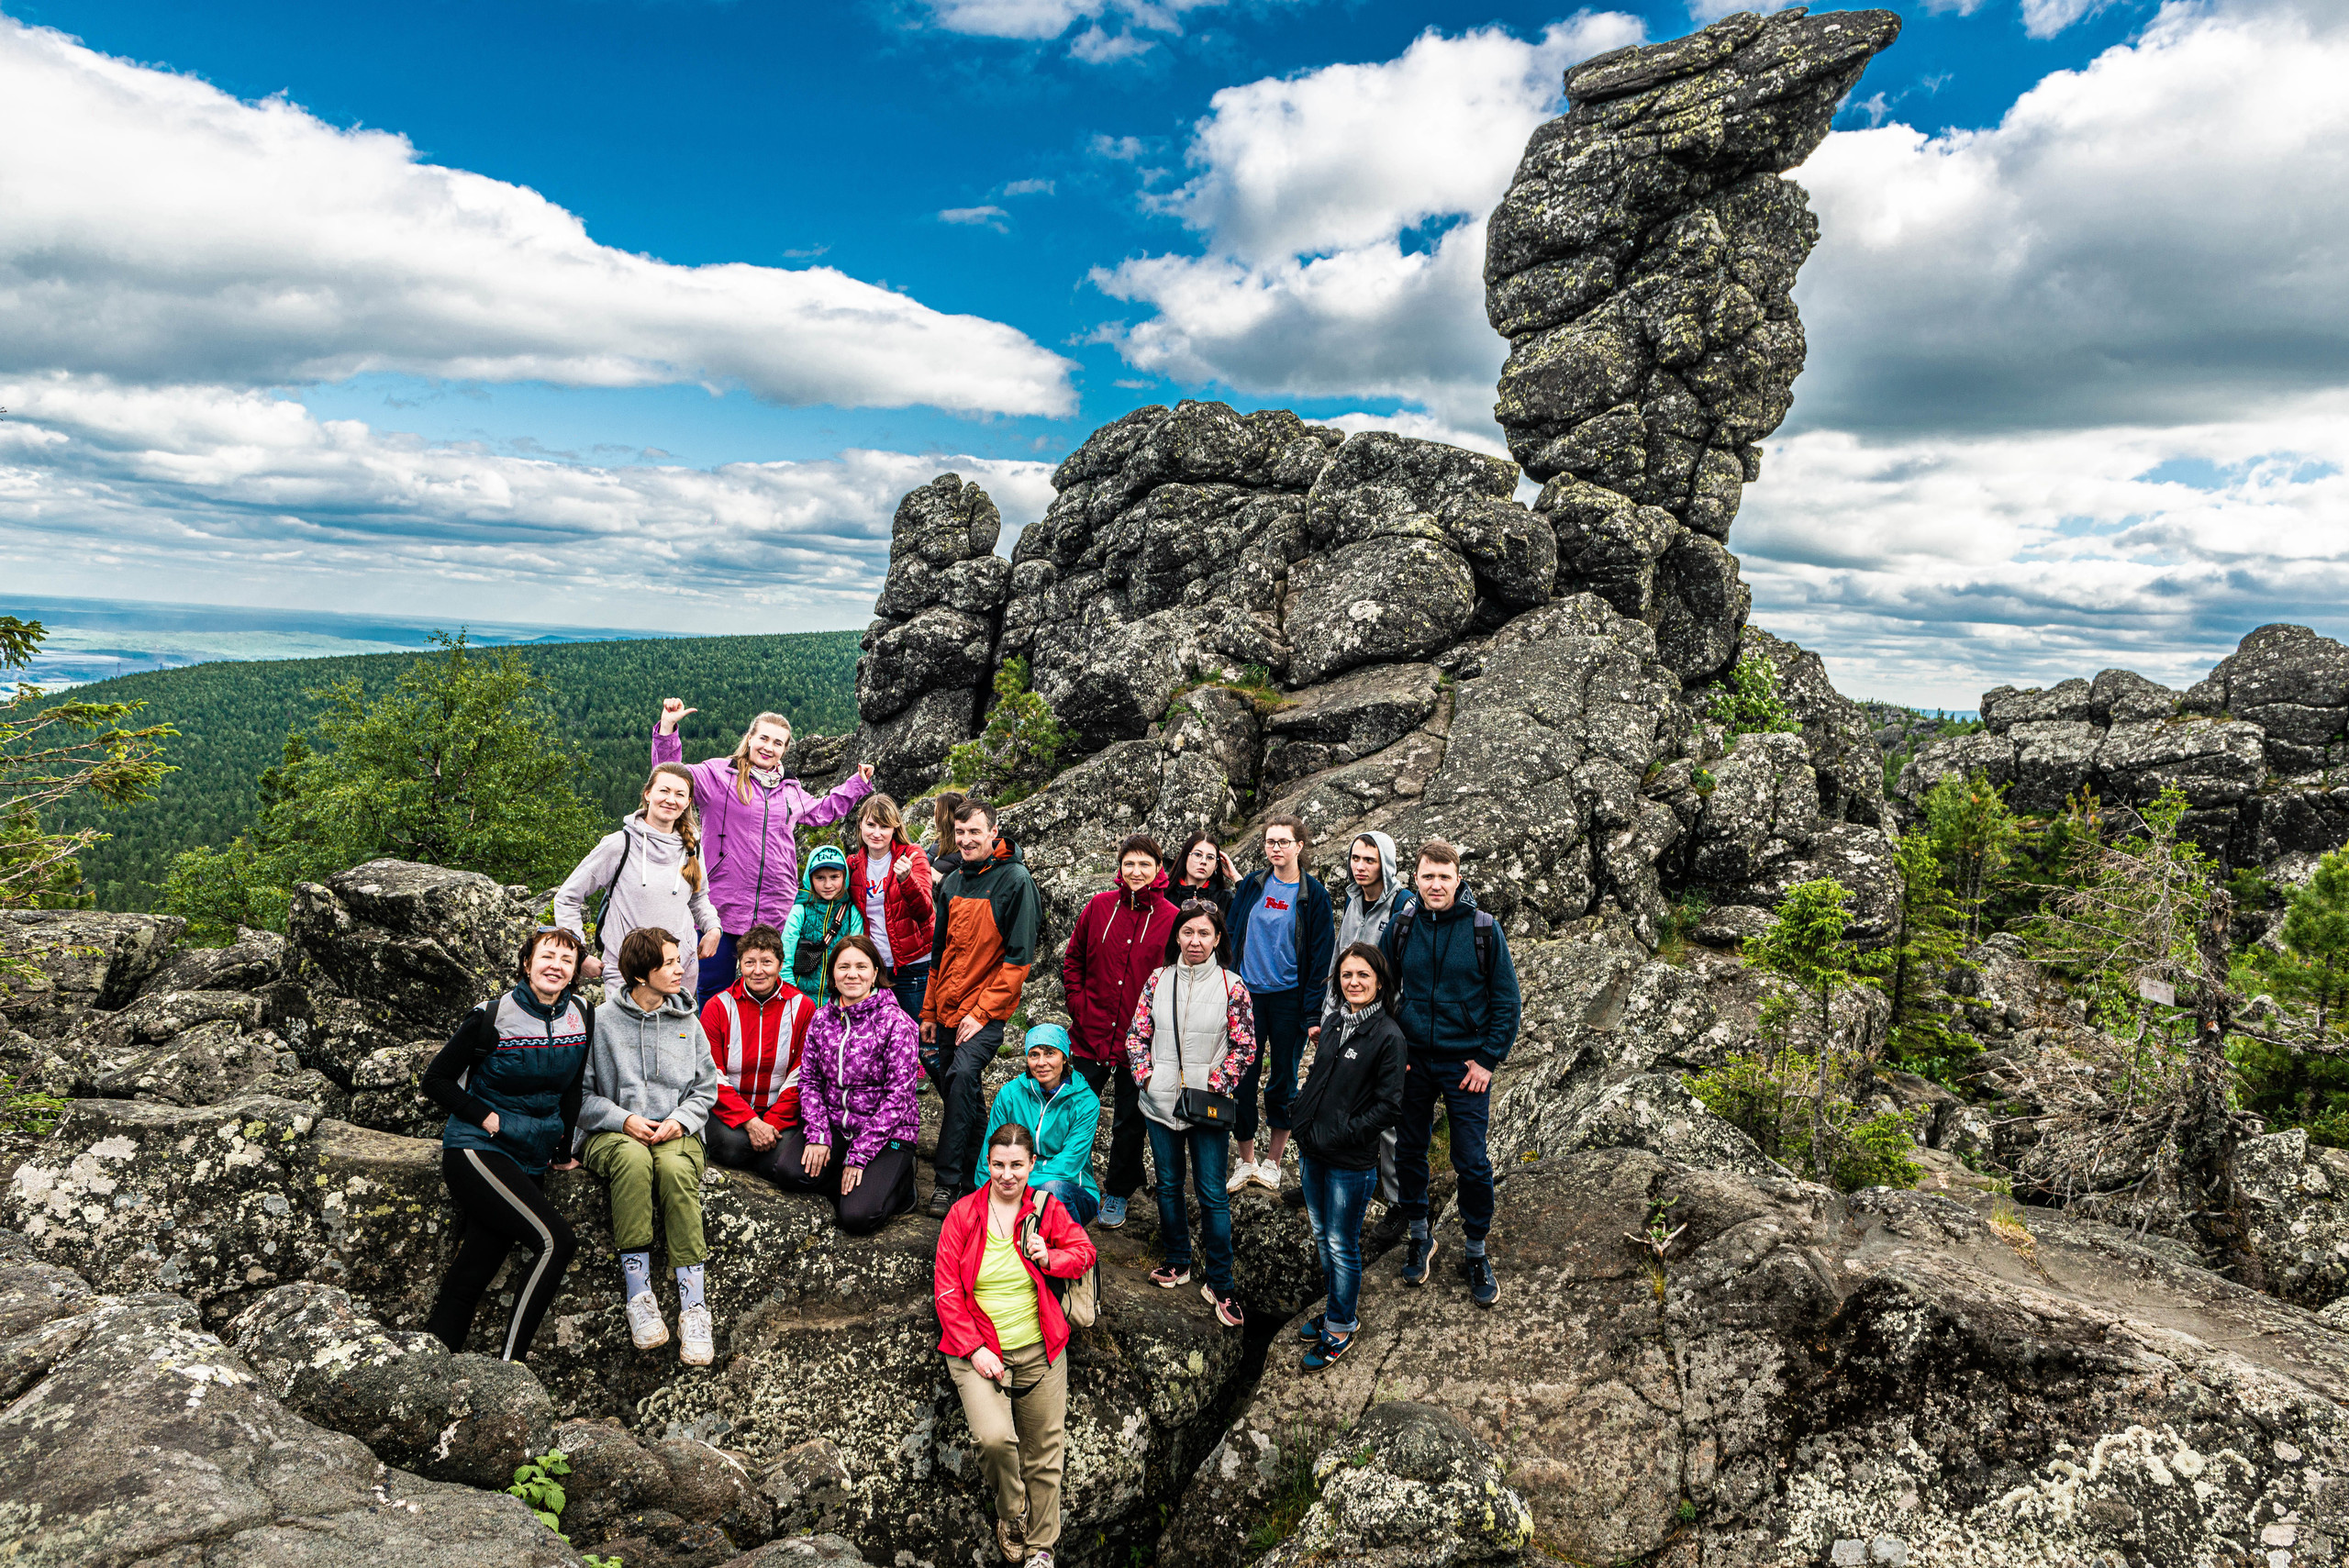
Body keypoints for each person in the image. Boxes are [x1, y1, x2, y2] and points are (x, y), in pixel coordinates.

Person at [421, 924, 592, 1362]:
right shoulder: (492, 1015)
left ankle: (429, 1367)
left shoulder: (581, 1014)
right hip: (478, 1149)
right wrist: (486, 1116)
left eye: (566, 960)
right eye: (547, 957)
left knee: (472, 1274)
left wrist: (563, 1148)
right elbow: (436, 1079)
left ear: (574, 972)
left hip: (531, 1158)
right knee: (556, 1242)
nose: (555, 966)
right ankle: (507, 1370)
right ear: (526, 964)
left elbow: (571, 1089)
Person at [935, 1123, 1097, 1568]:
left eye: (1017, 1166)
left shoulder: (1046, 1209)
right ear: (988, 1164)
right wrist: (974, 1349)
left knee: (1045, 1452)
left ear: (1031, 1165)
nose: (1007, 1175)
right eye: (999, 1165)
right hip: (979, 1351)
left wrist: (1052, 1257)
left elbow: (1085, 1252)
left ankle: (1042, 1549)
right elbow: (947, 1291)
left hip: (1041, 1349)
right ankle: (1012, 1512)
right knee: (995, 1439)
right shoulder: (964, 1214)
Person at [651, 696, 877, 1005]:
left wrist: (857, 783)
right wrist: (668, 729)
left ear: (785, 749)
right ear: (750, 738)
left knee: (766, 992)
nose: (769, 747)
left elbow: (823, 811)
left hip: (775, 908)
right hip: (722, 905)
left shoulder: (790, 789)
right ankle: (709, 1052)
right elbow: (671, 775)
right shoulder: (718, 776)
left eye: (779, 743)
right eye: (764, 738)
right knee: (711, 989)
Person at [1381, 840, 1521, 1310]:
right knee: (1410, 1151)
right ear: (1415, 879)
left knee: (1472, 1162)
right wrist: (1393, 1049)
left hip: (1466, 1067)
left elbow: (1507, 1002)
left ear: (1458, 880)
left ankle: (1477, 1251)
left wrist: (1487, 1060)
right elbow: (1382, 988)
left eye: (1444, 876)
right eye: (1428, 876)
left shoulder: (1484, 930)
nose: (1436, 884)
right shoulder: (1402, 926)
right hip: (1413, 1061)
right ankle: (1421, 1237)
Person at [576, 926, 722, 1364]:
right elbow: (579, 1095)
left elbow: (706, 1089)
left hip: (676, 1134)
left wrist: (680, 1120)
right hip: (613, 1134)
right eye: (671, 962)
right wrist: (624, 1119)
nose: (682, 969)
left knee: (677, 1172)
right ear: (641, 974)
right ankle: (639, 1297)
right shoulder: (598, 1021)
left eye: (680, 960)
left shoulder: (688, 1021)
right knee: (633, 1161)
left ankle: (693, 1306)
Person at [1124, 901, 1257, 1329]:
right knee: (1167, 1186)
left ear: (1218, 938)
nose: (1195, 941)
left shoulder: (1231, 985)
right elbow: (1137, 1035)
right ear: (1177, 936)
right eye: (1187, 933)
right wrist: (1147, 1077)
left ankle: (1221, 1281)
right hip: (1159, 1104)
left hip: (1207, 1109)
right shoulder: (1158, 980)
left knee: (1213, 1194)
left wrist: (1213, 1087)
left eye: (1204, 934)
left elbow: (1245, 1046)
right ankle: (1178, 1260)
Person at [920, 799, 1042, 1218]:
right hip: (949, 1009)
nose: (967, 840)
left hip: (986, 1013)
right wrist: (930, 1014)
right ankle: (978, 1174)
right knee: (961, 1090)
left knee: (961, 1077)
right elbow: (939, 956)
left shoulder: (1016, 880)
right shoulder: (951, 882)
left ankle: (946, 1182)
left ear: (993, 832)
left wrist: (982, 1013)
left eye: (975, 832)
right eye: (960, 833)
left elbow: (1019, 961)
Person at [1289, 943, 1406, 1371]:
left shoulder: (1389, 1036)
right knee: (1323, 1237)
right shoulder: (1335, 1022)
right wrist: (1301, 1118)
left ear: (1379, 982)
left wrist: (1346, 1134)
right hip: (1313, 1150)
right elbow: (1318, 1080)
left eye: (1363, 976)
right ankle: (1337, 1306)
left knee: (1342, 1243)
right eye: (1346, 975)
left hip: (1350, 1162)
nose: (1353, 983)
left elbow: (1389, 1106)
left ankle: (1340, 1325)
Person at [1060, 834, 1177, 1229]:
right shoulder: (1099, 906)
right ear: (1120, 867)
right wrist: (1079, 1005)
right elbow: (1073, 959)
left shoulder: (1171, 917)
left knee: (1130, 1119)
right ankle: (1066, 1178)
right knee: (1074, 1108)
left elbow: (1175, 978)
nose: (1136, 872)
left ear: (1159, 868)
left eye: (1145, 864)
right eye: (1130, 864)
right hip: (1091, 1031)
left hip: (1140, 1040)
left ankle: (1118, 1192)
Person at [1224, 816, 1332, 1195]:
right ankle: (1245, 1160)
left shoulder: (1313, 894)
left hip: (1289, 998)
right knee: (1244, 1077)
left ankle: (1273, 1161)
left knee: (1283, 1080)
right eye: (1271, 841)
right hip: (1248, 995)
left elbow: (1320, 958)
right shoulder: (1253, 885)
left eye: (1284, 842)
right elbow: (1231, 933)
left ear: (1299, 846)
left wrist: (1312, 1012)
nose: (1276, 848)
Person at [553, 762, 723, 998]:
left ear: (688, 802)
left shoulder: (692, 848)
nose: (670, 799)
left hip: (679, 975)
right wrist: (577, 954)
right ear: (647, 793)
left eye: (679, 794)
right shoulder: (620, 844)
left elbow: (698, 898)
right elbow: (568, 897)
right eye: (664, 790)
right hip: (628, 974)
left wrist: (713, 927)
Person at [792, 935, 923, 1233]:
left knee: (857, 1216)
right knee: (789, 1173)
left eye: (861, 966)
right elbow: (810, 1081)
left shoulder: (897, 1023)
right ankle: (850, 1177)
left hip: (888, 1134)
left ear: (876, 972)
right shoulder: (822, 1019)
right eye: (844, 966)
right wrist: (818, 1135)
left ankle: (903, 1182)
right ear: (833, 974)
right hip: (838, 1128)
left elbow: (898, 1099)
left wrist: (860, 1154)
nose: (852, 974)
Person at [1319, 830, 1416, 1206]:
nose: (1360, 867)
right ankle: (1328, 1177)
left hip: (1381, 1024)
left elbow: (1406, 973)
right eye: (1356, 859)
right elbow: (1338, 957)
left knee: (1386, 1117)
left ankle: (1395, 1202)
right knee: (1334, 1096)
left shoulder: (1402, 906)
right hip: (1344, 1017)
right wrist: (1327, 1014)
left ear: (1386, 865)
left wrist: (1396, 1034)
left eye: (1370, 860)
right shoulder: (1352, 900)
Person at [700, 924, 817, 1186]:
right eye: (749, 962)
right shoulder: (718, 1007)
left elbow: (802, 1074)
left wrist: (771, 1123)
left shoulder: (802, 1007)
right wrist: (752, 1123)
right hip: (730, 1112)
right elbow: (711, 1073)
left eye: (767, 962)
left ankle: (765, 1155)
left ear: (780, 963)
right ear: (740, 964)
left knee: (782, 1160)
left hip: (780, 1111)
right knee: (733, 1146)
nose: (758, 970)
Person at [975, 1024, 1102, 1227]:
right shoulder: (1009, 1095)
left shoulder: (1085, 1102)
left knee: (1052, 1191)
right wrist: (985, 1195)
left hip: (1070, 1190)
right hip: (1013, 1183)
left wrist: (1018, 1187)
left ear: (1065, 1056)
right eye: (1034, 1055)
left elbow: (1067, 1166)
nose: (1041, 1063)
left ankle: (1077, 1255)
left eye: (1050, 1053)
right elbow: (989, 1155)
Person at [848, 794, 936, 1020]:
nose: (877, 833)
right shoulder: (854, 865)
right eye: (871, 825)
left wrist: (907, 880)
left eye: (884, 826)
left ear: (895, 828)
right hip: (875, 968)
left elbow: (924, 911)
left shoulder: (913, 855)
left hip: (914, 966)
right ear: (860, 826)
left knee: (920, 1040)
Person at [780, 845, 863, 1004]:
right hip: (800, 1000)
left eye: (834, 877)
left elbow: (856, 960)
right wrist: (795, 999)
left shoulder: (852, 912)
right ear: (809, 878)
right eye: (820, 878)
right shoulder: (800, 910)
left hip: (838, 1002)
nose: (827, 885)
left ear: (844, 877)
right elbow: (785, 960)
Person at [1168, 829, 1237, 922]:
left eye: (1210, 857)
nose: (1203, 861)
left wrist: (1236, 877)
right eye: (1197, 854)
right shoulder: (1165, 894)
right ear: (1185, 858)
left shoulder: (1226, 899)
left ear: (1216, 865)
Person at [928, 789, 970, 874]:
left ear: (945, 818)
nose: (934, 818)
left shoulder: (964, 857)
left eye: (936, 814)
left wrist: (938, 879)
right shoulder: (939, 843)